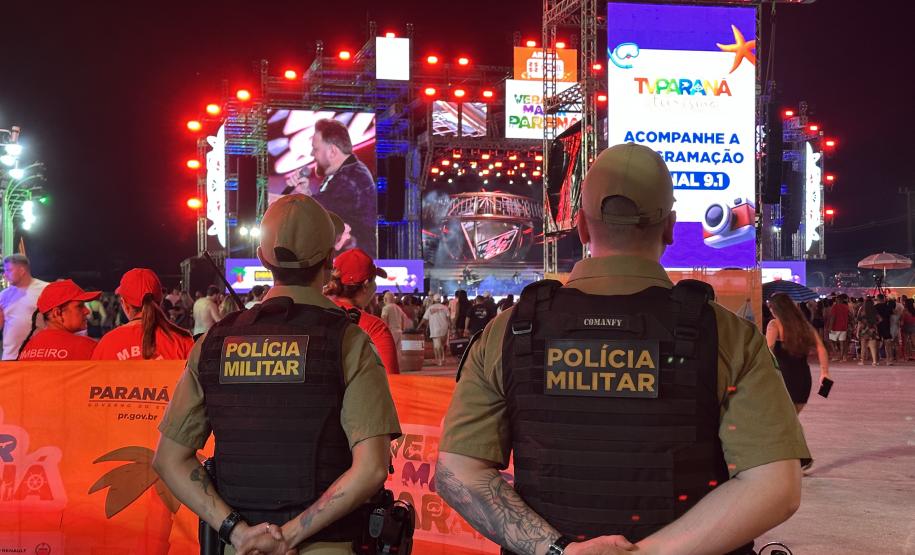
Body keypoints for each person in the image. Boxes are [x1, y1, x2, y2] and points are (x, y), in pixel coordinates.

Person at [434, 143, 808, 555]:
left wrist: (559, 550)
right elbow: (775, 485)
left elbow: (458, 472)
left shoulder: (508, 332)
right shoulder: (728, 335)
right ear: (669, 227)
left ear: (580, 227)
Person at [152, 194, 401, 555]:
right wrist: (290, 536)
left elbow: (169, 459)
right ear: (329, 261)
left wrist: (237, 533)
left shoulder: (214, 342)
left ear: (262, 258)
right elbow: (373, 467)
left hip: (242, 549)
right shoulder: (349, 341)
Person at [325, 247, 400, 375]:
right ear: (366, 285)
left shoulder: (314, 314)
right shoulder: (374, 328)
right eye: (374, 281)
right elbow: (391, 384)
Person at [92, 268, 195, 361]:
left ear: (124, 304)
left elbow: (94, 381)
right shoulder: (183, 341)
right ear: (161, 301)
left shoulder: (107, 344)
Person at [310, 118, 377, 253]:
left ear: (332, 151)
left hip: (352, 265)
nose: (312, 154)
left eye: (315, 149)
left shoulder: (350, 179)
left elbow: (313, 213)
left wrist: (272, 200)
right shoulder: (343, 174)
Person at [765, 294, 831, 415]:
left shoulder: (774, 324)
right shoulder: (805, 326)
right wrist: (825, 372)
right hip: (803, 379)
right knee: (793, 419)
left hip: (782, 379)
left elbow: (768, 351)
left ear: (775, 309)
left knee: (781, 422)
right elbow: (821, 348)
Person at [17, 279, 100, 361]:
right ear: (57, 313)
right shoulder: (88, 348)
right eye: (79, 306)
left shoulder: (27, 349)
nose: (87, 311)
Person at [0, 254, 49, 360]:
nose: (5, 275)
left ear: (22, 270)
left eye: (8, 270)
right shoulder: (3, 295)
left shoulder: (46, 289)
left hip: (38, 356)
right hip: (9, 357)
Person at [419, 294, 451, 366]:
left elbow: (424, 319)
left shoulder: (430, 308)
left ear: (433, 300)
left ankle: (439, 360)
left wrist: (418, 326)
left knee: (437, 346)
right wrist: (451, 327)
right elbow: (448, 319)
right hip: (444, 328)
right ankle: (443, 359)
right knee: (441, 345)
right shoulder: (445, 308)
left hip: (435, 328)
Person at [856, 298, 880, 366]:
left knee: (863, 346)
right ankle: (874, 361)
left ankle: (862, 361)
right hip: (872, 329)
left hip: (864, 330)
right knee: (873, 347)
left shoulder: (862, 310)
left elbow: (859, 322)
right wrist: (875, 324)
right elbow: (880, 319)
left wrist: (857, 332)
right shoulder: (874, 309)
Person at [826, 294, 850, 361]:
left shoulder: (835, 307)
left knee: (831, 341)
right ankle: (841, 358)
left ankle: (836, 354)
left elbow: (833, 317)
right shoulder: (846, 307)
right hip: (844, 327)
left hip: (835, 327)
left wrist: (830, 327)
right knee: (842, 342)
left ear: (838, 300)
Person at [874, 294, 895, 365]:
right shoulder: (887, 306)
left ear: (877, 299)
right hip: (886, 326)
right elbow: (892, 314)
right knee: (888, 344)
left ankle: (876, 360)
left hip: (877, 327)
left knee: (876, 344)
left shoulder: (875, 307)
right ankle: (889, 360)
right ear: (883, 299)